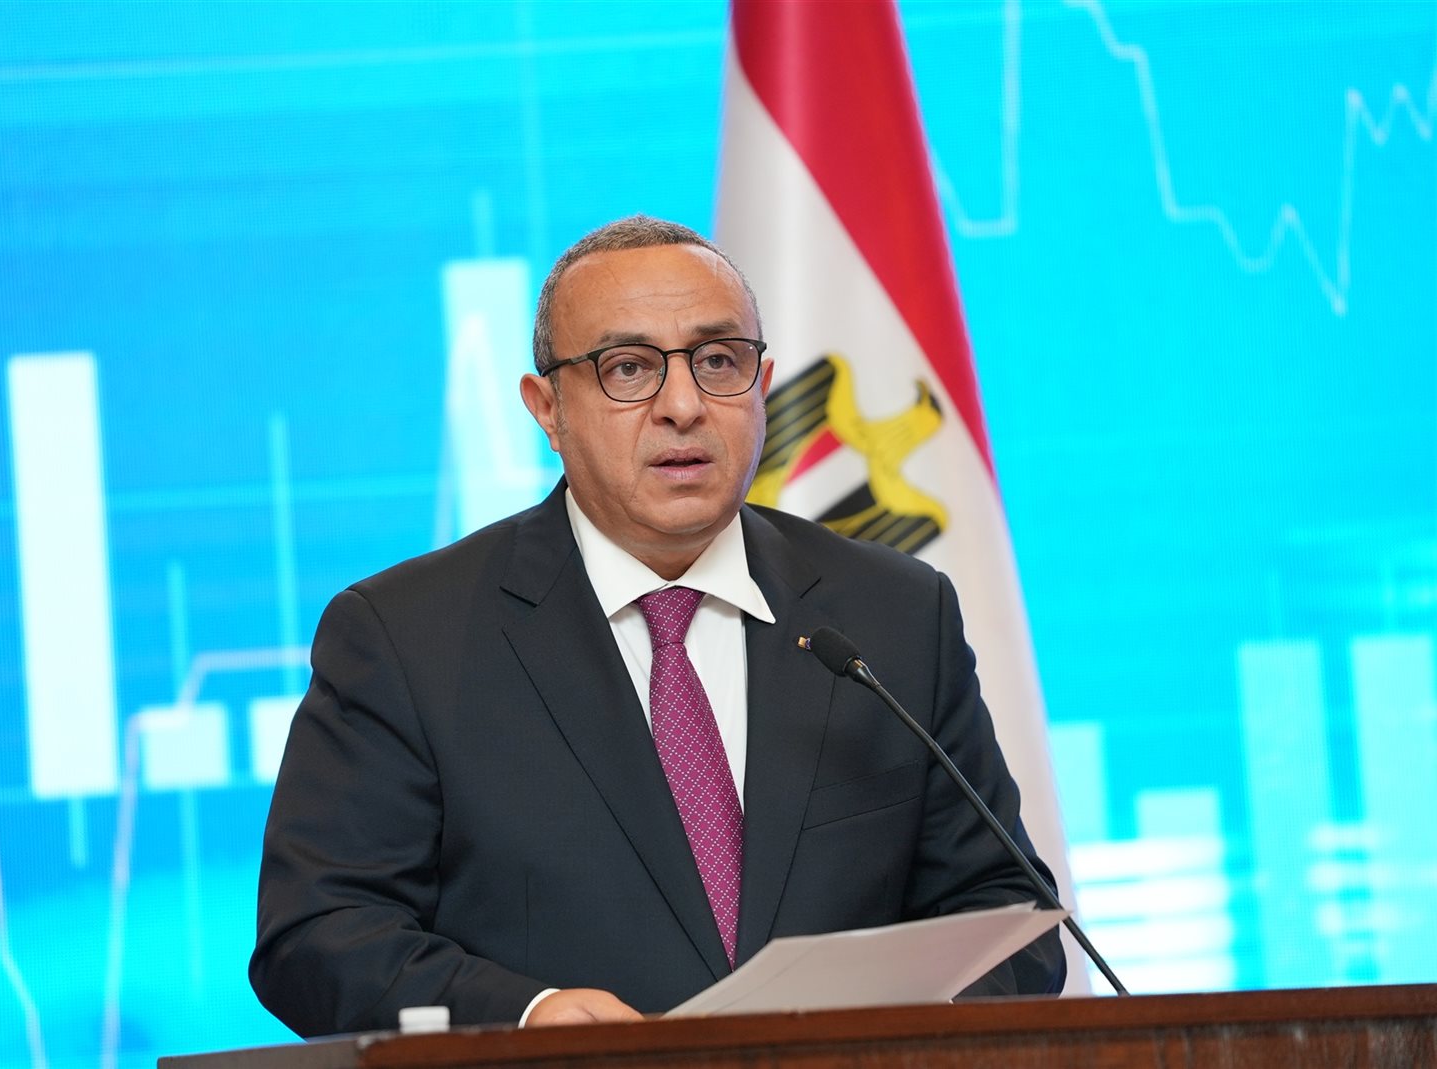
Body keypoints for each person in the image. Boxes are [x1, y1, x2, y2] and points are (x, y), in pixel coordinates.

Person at [250, 216, 1065, 1035]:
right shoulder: (405, 637)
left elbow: (1007, 913)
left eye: (718, 362)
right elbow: (319, 933)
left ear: (763, 386)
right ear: (547, 408)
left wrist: (898, 1039)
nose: (683, 406)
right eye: (628, 368)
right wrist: (526, 1016)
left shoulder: (894, 613)